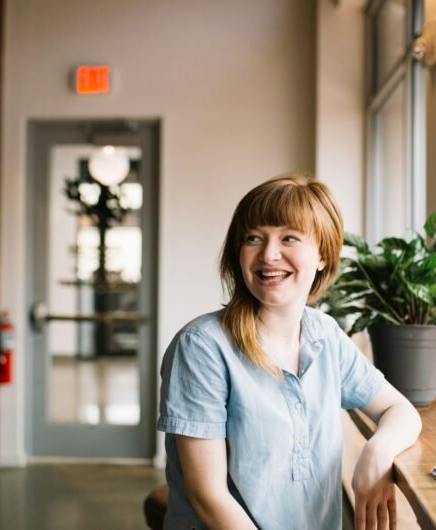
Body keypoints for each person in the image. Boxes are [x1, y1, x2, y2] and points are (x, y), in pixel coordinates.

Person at [157, 174, 422, 530]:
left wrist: (377, 451)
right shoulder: (202, 346)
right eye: (253, 238)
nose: (268, 254)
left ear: (323, 256)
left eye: (289, 238)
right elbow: (209, 497)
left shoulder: (325, 335)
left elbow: (400, 410)